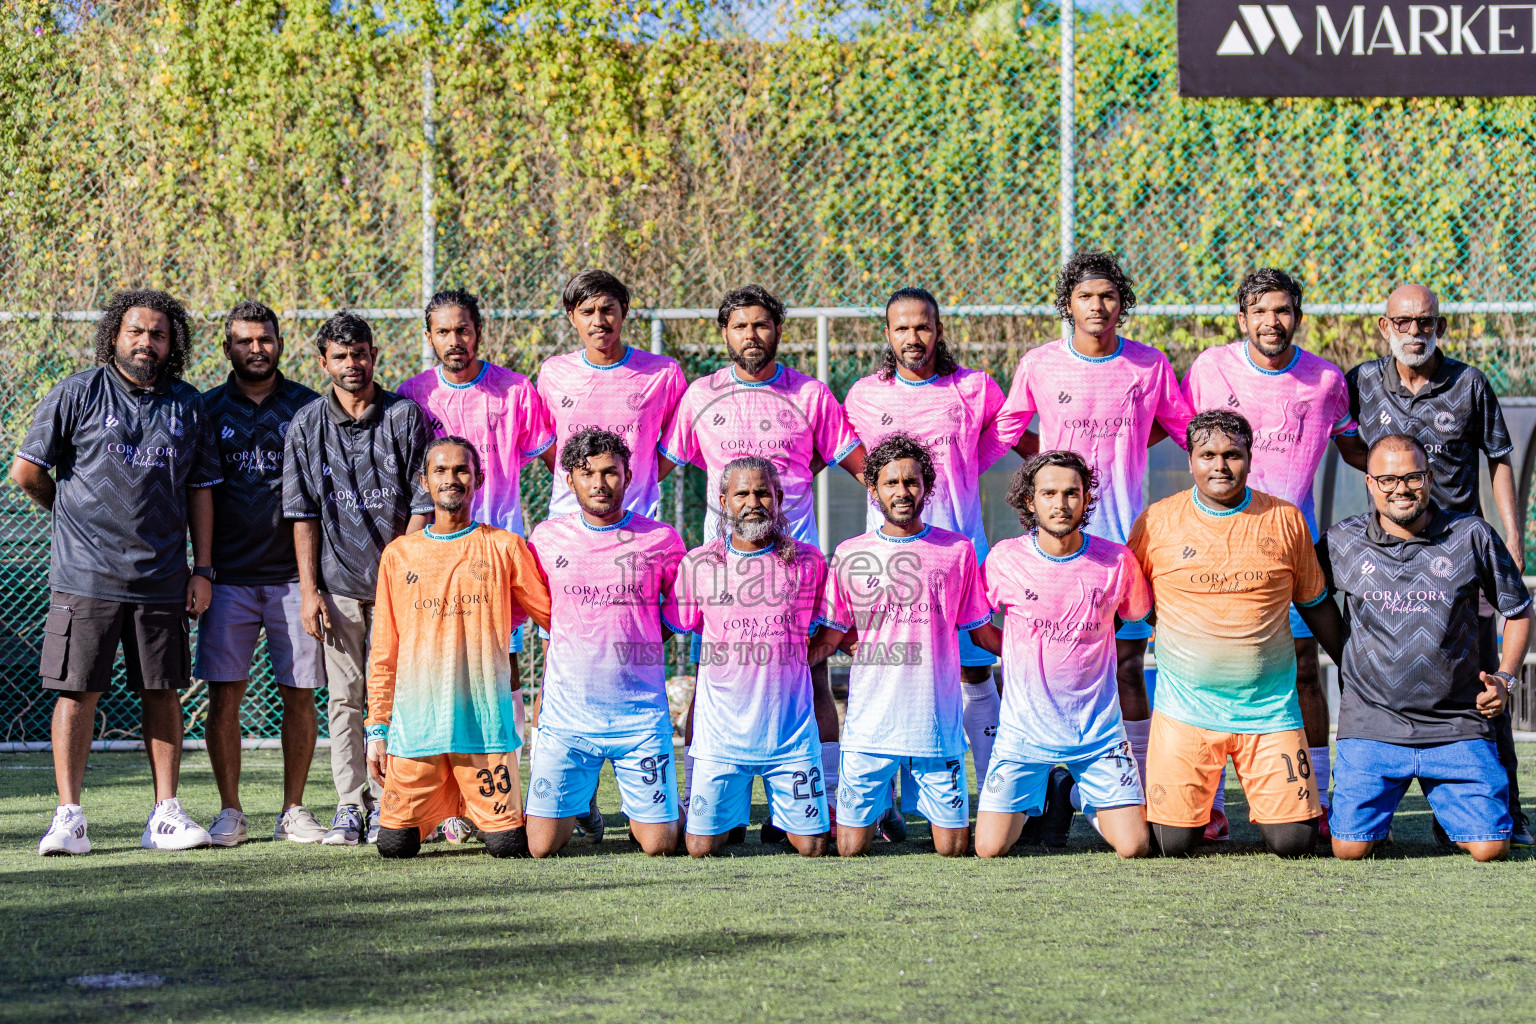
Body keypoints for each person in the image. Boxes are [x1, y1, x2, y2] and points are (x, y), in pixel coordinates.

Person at [18, 289, 221, 855]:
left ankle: (165, 814)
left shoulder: (188, 404)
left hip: (162, 576)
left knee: (163, 690)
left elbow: (201, 490)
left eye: (159, 334)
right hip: (85, 575)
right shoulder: (77, 392)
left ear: (172, 344)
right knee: (77, 692)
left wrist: (202, 569)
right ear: (115, 335)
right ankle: (69, 818)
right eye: (137, 331)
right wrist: (70, 515)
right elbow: (27, 471)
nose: (146, 342)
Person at [659, 286, 863, 833]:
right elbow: (656, 468)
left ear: (778, 330)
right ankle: (699, 798)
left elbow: (855, 463)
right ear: (724, 333)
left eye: (762, 324)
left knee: (814, 679)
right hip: (724, 574)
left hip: (796, 570)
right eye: (740, 326)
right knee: (707, 682)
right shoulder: (700, 395)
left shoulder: (811, 394)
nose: (751, 335)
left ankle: (825, 796)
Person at [1338, 283, 1531, 847]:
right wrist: (1385, 479)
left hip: (1458, 558)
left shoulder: (1469, 383)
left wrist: (1512, 537)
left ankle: (1504, 809)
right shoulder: (1361, 382)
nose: (1415, 332)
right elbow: (1346, 442)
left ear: (1439, 327)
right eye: (1404, 322)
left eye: (1425, 322)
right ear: (1385, 327)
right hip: (1391, 552)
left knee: (1483, 684)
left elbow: (1499, 458)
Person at [1181, 269, 1355, 840]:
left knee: (1305, 669)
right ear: (1242, 319)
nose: (1271, 321)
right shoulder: (1210, 368)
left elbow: (1356, 446)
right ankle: (1207, 808)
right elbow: (1185, 438)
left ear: (1297, 317)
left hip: (1290, 551)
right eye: (1259, 311)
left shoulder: (1326, 381)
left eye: (1282, 310)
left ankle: (1317, 798)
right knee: (1210, 670)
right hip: (1215, 550)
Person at [1309, 434, 1530, 862]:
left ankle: (1454, 816)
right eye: (1388, 479)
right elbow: (1310, 597)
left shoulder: (1471, 534)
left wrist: (1505, 678)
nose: (1401, 489)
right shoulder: (1341, 541)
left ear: (1428, 478)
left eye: (1413, 477)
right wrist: (1345, 653)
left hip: (1455, 725)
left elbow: (1519, 610)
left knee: (1490, 847)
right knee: (1349, 848)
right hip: (1372, 723)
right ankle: (1378, 820)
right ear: (1370, 483)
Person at [1127, 410, 1333, 858]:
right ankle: (1200, 811)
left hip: (1270, 711)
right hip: (1185, 710)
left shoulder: (1285, 519)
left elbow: (1315, 603)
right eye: (1208, 455)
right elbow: (1133, 600)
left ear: (1250, 459)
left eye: (1232, 455)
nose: (1220, 465)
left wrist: (1355, 665)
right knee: (1171, 845)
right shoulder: (1156, 521)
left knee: (1295, 843)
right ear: (1190, 461)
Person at [841, 288, 1008, 828]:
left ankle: (998, 799)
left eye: (923, 326)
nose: (913, 337)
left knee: (975, 673)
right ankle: (885, 803)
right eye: (902, 328)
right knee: (891, 673)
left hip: (958, 556)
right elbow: (852, 458)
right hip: (889, 563)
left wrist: (962, 471)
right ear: (887, 335)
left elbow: (997, 442)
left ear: (938, 330)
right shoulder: (864, 395)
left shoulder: (975, 389)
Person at [397, 290, 560, 824]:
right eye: (443, 332)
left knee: (503, 671)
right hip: (437, 560)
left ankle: (510, 794)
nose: (454, 341)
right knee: (437, 673)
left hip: (496, 558)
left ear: (478, 332)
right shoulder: (413, 395)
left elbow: (556, 465)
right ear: (429, 337)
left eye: (463, 330)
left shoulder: (515, 390)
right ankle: (451, 803)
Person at [283, 311, 431, 846]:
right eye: (341, 356)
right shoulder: (305, 425)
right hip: (338, 587)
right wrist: (310, 591)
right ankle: (350, 804)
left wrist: (400, 570)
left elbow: (423, 503)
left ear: (374, 355)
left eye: (360, 354)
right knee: (345, 699)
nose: (353, 364)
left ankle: (397, 802)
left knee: (402, 698)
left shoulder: (406, 418)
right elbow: (302, 513)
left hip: (401, 589)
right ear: (324, 362)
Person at [365, 437, 552, 859]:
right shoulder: (399, 555)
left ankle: (474, 812)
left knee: (506, 846)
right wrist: (377, 727)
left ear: (479, 479)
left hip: (483, 729)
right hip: (417, 729)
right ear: (424, 482)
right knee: (394, 846)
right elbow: (384, 651)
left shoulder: (504, 546)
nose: (452, 479)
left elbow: (549, 615)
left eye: (462, 470)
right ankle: (445, 811)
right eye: (441, 471)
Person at [811, 434, 995, 858]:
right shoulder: (850, 553)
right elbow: (833, 636)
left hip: (934, 725)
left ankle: (888, 805)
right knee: (850, 850)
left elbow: (982, 634)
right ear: (873, 490)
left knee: (952, 850)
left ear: (926, 487)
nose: (902, 491)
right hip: (870, 726)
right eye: (891, 482)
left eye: (911, 482)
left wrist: (1044, 644)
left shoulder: (957, 551)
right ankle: (883, 805)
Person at [972, 451, 1153, 859]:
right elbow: (980, 631)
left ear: (1086, 498)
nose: (1061, 503)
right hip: (1023, 734)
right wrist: (1022, 652)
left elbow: (1134, 616)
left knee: (1134, 847)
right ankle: (1042, 793)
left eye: (1072, 493)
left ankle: (1070, 792)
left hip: (1098, 733)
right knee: (989, 848)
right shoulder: (1004, 559)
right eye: (1049, 493)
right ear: (1029, 500)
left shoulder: (1117, 561)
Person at [193, 301, 327, 846]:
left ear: (279, 344)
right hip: (227, 578)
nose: (256, 349)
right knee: (225, 697)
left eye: (265, 339)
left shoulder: (309, 407)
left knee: (300, 694)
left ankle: (293, 809)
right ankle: (230, 811)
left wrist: (315, 582)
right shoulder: (204, 409)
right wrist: (201, 569)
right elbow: (196, 493)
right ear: (227, 347)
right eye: (245, 340)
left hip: (295, 579)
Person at [524, 429, 687, 857]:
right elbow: (542, 610)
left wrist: (641, 635)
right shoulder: (545, 538)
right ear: (569, 480)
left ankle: (667, 810)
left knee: (660, 845)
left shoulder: (661, 539)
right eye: (587, 473)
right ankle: (583, 807)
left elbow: (679, 609)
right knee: (541, 847)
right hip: (568, 719)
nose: (599, 483)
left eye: (610, 472)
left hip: (639, 719)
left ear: (628, 476)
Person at [666, 457, 832, 858]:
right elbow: (673, 625)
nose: (753, 502)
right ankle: (715, 809)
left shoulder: (809, 562)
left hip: (789, 737)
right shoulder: (699, 563)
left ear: (779, 498)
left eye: (763, 493)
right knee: (700, 848)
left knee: (813, 847)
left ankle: (804, 807)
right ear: (724, 501)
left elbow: (830, 630)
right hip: (722, 738)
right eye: (742, 493)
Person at [536, 271, 687, 519]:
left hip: (636, 516)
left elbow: (679, 437)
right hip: (567, 517)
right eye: (587, 312)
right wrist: (577, 476)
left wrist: (640, 478)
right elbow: (544, 439)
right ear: (572, 317)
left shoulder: (663, 373)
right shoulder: (554, 373)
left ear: (623, 311)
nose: (598, 321)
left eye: (607, 310)